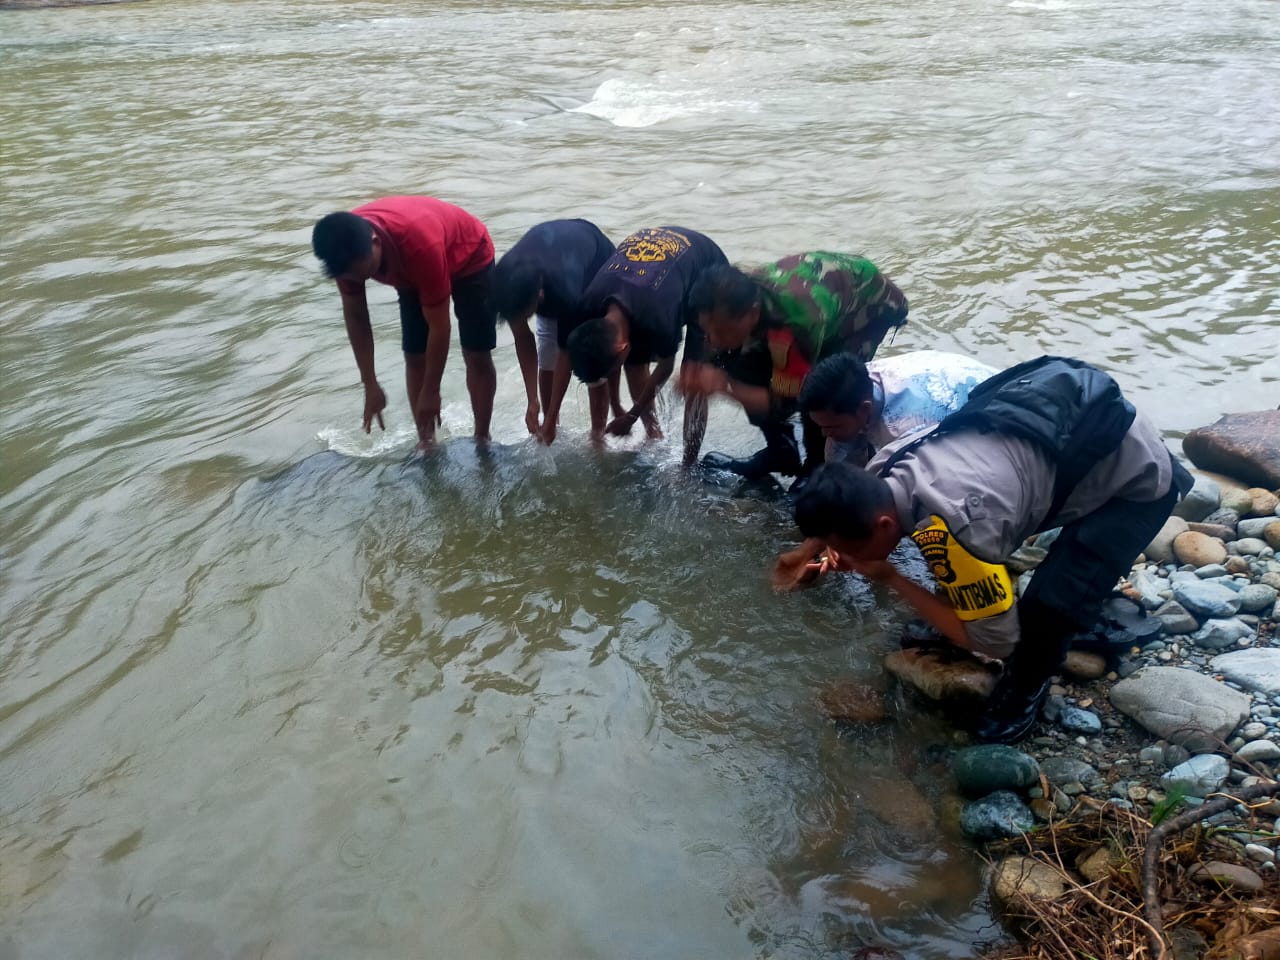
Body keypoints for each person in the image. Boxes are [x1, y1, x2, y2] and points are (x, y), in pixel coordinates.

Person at [783, 355, 1190, 744]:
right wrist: (812, 552)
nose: (851, 560)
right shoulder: (884, 468)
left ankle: (1025, 695)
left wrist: (890, 576)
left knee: (1047, 609)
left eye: (851, 550)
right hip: (1073, 448)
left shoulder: (957, 529)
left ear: (883, 525)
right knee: (981, 594)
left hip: (1136, 482)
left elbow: (996, 643)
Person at [678, 253, 909, 479]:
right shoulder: (735, 303)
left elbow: (786, 402)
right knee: (736, 362)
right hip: (824, 296)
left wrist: (722, 388)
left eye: (722, 331)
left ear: (753, 313)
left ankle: (820, 467)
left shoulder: (794, 325)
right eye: (708, 330)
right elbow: (717, 361)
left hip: (867, 306)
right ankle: (781, 452)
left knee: (824, 389)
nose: (713, 340)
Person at [311, 196, 510, 446]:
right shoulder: (343, 254)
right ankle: (426, 444)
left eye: (364, 271)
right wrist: (370, 383)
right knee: (414, 356)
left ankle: (482, 438)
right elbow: (356, 317)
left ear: (375, 242)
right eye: (348, 274)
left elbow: (440, 326)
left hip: (470, 256)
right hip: (410, 272)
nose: (357, 279)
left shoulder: (419, 244)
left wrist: (432, 390)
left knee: (476, 353)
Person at [567, 226, 729, 463]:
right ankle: (655, 433)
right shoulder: (591, 305)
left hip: (709, 272)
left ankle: (688, 465)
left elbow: (664, 368)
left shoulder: (657, 318)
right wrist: (615, 405)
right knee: (634, 364)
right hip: (654, 275)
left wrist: (630, 416)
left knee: (693, 379)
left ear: (621, 347)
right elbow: (614, 361)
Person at [490, 219, 620, 445]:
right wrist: (533, 401)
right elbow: (523, 338)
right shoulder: (506, 281)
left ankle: (598, 438)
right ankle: (552, 424)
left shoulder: (566, 292)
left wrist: (548, 418)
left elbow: (567, 355)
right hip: (555, 254)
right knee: (545, 351)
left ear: (539, 297)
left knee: (591, 363)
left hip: (599, 267)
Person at [800, 350, 998, 468]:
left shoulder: (906, 429)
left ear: (865, 411)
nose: (824, 433)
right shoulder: (858, 378)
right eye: (821, 426)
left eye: (833, 427)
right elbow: (840, 468)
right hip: (951, 377)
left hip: (999, 412)